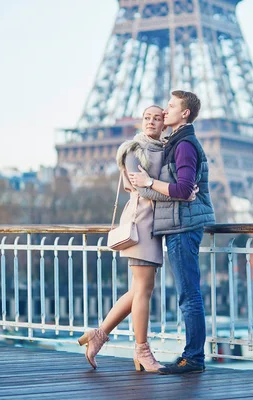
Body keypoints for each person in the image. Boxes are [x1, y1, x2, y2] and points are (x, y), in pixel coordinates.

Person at [78, 105, 196, 372]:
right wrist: (181, 194)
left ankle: (99, 334)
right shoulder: (133, 149)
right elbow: (139, 187)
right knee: (143, 290)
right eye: (147, 117)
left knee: (139, 290)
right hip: (141, 222)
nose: (152, 121)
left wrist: (178, 190)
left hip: (156, 224)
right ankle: (142, 350)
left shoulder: (164, 148)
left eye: (157, 117)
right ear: (141, 121)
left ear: (164, 123)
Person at [129, 90, 215, 374]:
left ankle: (193, 358)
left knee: (188, 294)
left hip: (183, 227)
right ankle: (192, 355)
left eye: (170, 106)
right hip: (177, 225)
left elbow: (182, 189)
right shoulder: (174, 142)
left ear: (185, 113)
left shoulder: (185, 144)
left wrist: (150, 182)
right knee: (188, 293)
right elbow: (182, 189)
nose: (165, 111)